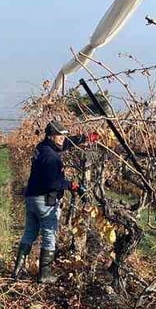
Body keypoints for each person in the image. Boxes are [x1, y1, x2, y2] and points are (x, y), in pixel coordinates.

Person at [13, 120, 97, 283]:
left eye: (64, 136)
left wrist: (86, 138)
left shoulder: (42, 147)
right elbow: (52, 183)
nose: (62, 139)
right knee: (49, 235)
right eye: (59, 136)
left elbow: (65, 144)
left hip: (31, 198)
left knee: (29, 232)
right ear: (51, 136)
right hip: (45, 200)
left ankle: (17, 270)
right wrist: (72, 186)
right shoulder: (51, 158)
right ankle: (45, 275)